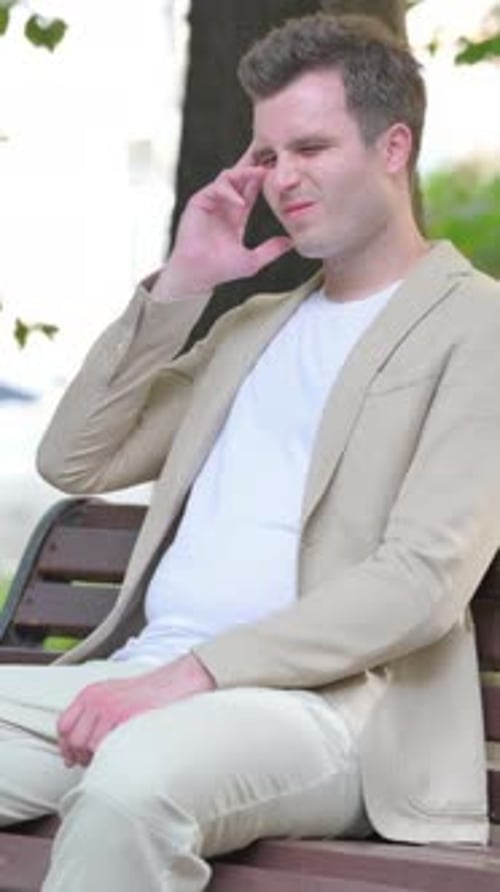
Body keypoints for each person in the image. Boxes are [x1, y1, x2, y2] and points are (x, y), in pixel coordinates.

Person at [1, 12, 500, 892]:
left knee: (134, 786)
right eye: (269, 156)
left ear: (394, 148)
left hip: (332, 712)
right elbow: (76, 459)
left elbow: (421, 580)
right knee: (137, 758)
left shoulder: (477, 326)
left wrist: (192, 678)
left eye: (311, 147)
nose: (283, 180)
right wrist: (182, 284)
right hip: (148, 676)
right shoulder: (251, 327)